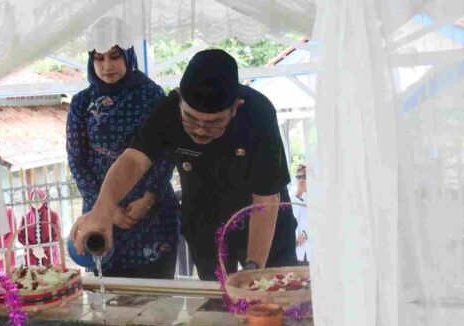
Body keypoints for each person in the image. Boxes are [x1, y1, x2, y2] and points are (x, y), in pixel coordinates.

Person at [70, 49, 297, 280]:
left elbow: (266, 199)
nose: (200, 129)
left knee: (272, 291)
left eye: (214, 123)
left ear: (235, 107)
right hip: (205, 217)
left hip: (262, 221)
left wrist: (254, 271)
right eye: (190, 118)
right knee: (215, 299)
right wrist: (102, 210)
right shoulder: (168, 110)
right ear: (179, 100)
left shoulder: (258, 113)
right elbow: (134, 160)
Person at [66, 27, 180, 279]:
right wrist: (105, 208)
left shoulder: (151, 95)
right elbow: (77, 161)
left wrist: (148, 199)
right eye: (99, 57)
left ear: (128, 56)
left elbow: (166, 152)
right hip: (101, 216)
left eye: (115, 56)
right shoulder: (82, 103)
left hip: (152, 213)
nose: (107, 65)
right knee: (110, 301)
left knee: (157, 302)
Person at [17, 188, 61, 267]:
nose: (36, 201)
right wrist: (33, 248)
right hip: (32, 256)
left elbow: (57, 235)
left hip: (49, 255)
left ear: (43, 198)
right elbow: (21, 236)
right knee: (34, 277)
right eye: (33, 199)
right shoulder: (25, 217)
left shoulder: (53, 215)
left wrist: (44, 249)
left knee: (51, 276)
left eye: (38, 198)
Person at [292, 164, 309, 265]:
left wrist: (306, 235)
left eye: (304, 177)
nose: (301, 180)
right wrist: (298, 194)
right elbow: (293, 218)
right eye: (298, 177)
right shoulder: (292, 196)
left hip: (312, 248)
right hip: (297, 249)